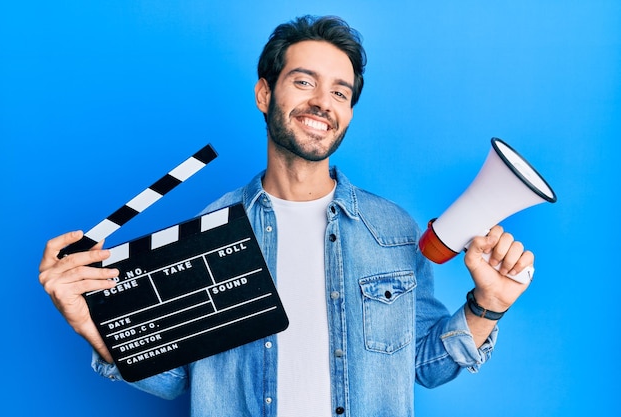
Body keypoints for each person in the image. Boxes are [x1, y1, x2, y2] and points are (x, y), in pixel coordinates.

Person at [39, 15, 534, 417]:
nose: (323, 101)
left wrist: (487, 306)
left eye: (340, 92)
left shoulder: (393, 231)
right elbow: (174, 379)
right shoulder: (212, 226)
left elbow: (426, 366)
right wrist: (91, 323)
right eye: (303, 82)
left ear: (349, 113)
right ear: (264, 95)